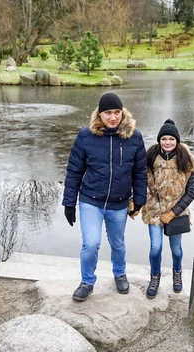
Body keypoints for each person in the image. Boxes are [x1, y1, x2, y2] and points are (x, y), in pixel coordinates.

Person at [63, 92, 147, 302]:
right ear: (99, 114)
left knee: (117, 243)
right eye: (108, 113)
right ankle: (87, 282)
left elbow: (139, 171)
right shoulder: (85, 136)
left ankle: (120, 273)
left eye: (116, 112)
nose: (113, 117)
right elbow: (74, 171)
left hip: (119, 203)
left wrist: (139, 200)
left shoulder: (134, 137)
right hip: (91, 200)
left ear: (122, 113)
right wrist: (69, 202)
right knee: (90, 243)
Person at [138, 119, 194, 299]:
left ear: (177, 141)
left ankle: (177, 273)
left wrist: (173, 212)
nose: (167, 142)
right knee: (155, 248)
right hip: (154, 211)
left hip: (176, 212)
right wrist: (136, 202)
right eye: (164, 138)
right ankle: (154, 277)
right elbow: (142, 184)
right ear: (159, 140)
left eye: (171, 139)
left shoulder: (186, 160)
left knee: (176, 250)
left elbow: (191, 192)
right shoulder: (149, 158)